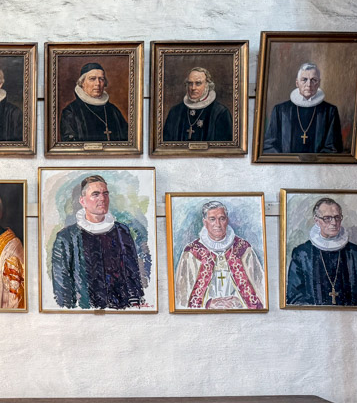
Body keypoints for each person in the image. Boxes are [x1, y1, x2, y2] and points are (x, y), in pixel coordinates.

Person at [51, 175, 145, 309]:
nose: (102, 199)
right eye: (95, 194)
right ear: (82, 201)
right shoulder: (66, 238)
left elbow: (133, 279)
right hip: (83, 313)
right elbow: (62, 289)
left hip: (121, 312)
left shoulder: (122, 232)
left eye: (105, 194)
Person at [173, 200, 265, 310]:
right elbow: (181, 298)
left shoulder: (244, 249)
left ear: (227, 220)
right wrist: (208, 303)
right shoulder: (191, 253)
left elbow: (261, 290)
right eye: (212, 219)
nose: (218, 224)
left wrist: (238, 301)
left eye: (222, 218)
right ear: (205, 222)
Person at [286, 198, 357, 306]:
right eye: (327, 218)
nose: (334, 222)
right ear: (316, 220)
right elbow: (295, 298)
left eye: (337, 217)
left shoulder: (354, 253)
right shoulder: (302, 254)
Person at [263, 63, 343, 154]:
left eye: (314, 80)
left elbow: (333, 148)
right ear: (297, 83)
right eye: (304, 80)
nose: (309, 84)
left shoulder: (330, 111)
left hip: (317, 166)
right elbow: (269, 146)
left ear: (319, 83)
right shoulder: (280, 110)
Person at [58, 62, 129, 143]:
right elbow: (70, 146)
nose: (98, 83)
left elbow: (127, 139)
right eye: (92, 79)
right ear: (82, 83)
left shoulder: (113, 110)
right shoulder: (71, 112)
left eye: (101, 79)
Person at [162, 67, 232, 142]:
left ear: (207, 85)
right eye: (190, 83)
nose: (193, 88)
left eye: (198, 83)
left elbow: (224, 147)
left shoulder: (221, 113)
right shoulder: (175, 112)